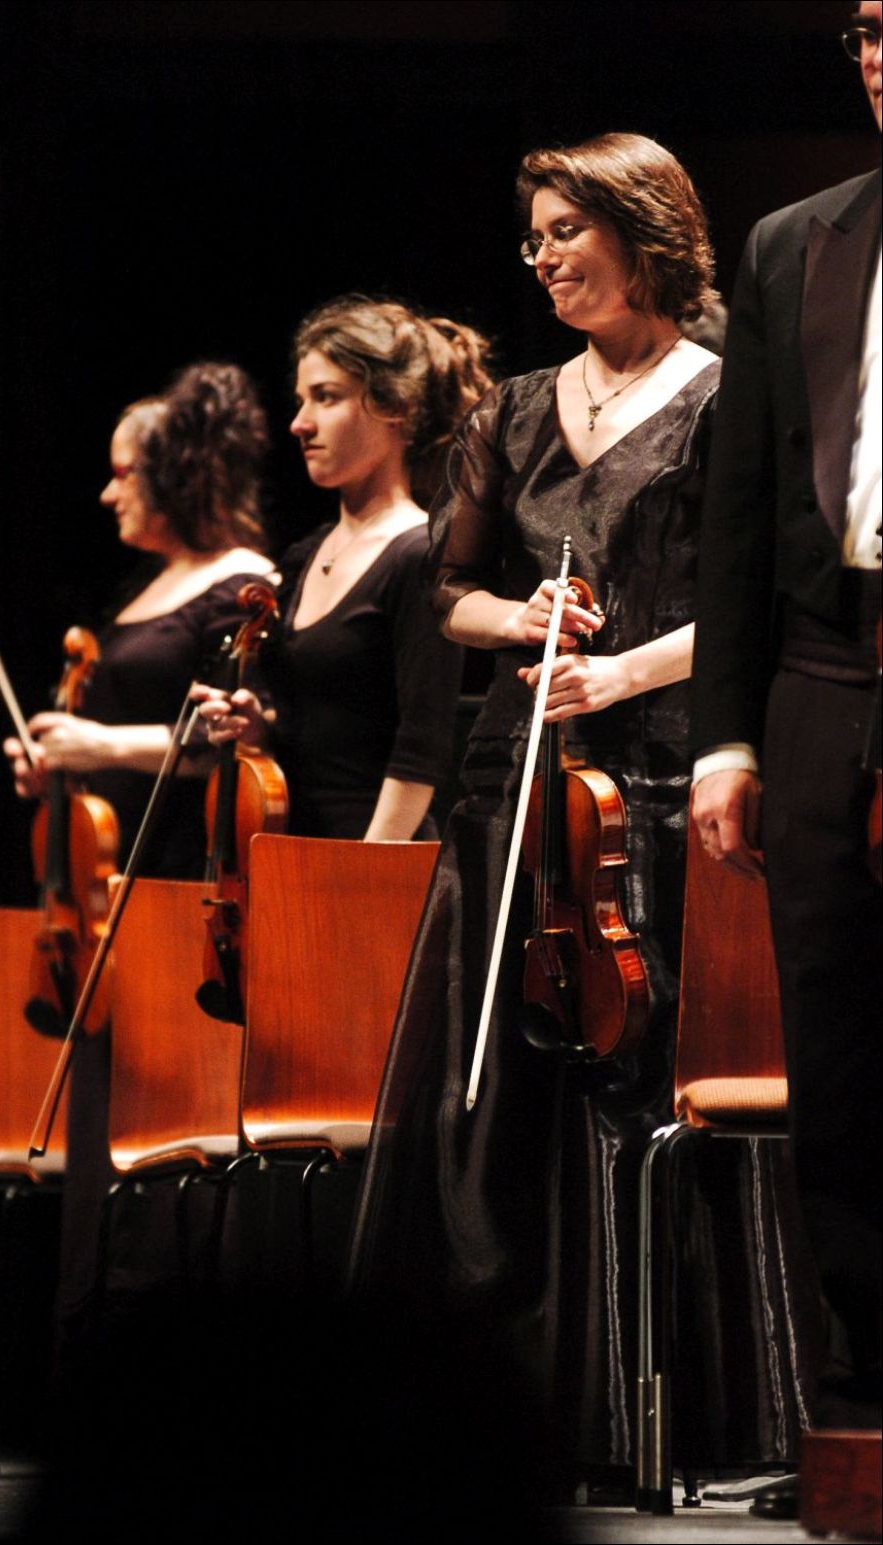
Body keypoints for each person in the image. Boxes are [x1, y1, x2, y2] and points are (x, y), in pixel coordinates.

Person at [346, 133, 811, 1495]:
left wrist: (621, 671)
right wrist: (523, 618)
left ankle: (662, 1416)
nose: (543, 257)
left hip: (656, 784)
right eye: (534, 237)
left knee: (639, 1084)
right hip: (517, 786)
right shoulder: (512, 411)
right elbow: (450, 597)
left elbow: (756, 602)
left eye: (566, 230)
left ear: (641, 231)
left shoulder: (723, 394)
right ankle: (495, 1421)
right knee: (492, 1095)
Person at [691, 0, 881, 1454]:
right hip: (826, 673)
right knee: (838, 1039)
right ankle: (866, 1399)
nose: (880, 58)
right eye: (867, 31)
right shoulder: (791, 241)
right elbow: (742, 512)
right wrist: (726, 738)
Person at [4, 360, 273, 1340]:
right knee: (99, 1130)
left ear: (179, 474)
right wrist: (54, 762)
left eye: (125, 472)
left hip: (177, 886)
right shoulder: (144, 586)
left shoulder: (241, 584)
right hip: (107, 896)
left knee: (162, 1130)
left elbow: (225, 746)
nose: (107, 491)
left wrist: (96, 744)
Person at [193, 297, 492, 840]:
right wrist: (261, 728)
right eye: (301, 400)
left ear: (395, 406)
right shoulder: (306, 556)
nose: (299, 424)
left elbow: (421, 749)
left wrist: (364, 871)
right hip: (291, 854)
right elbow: (326, 727)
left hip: (373, 858)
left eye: (326, 397)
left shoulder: (419, 554)